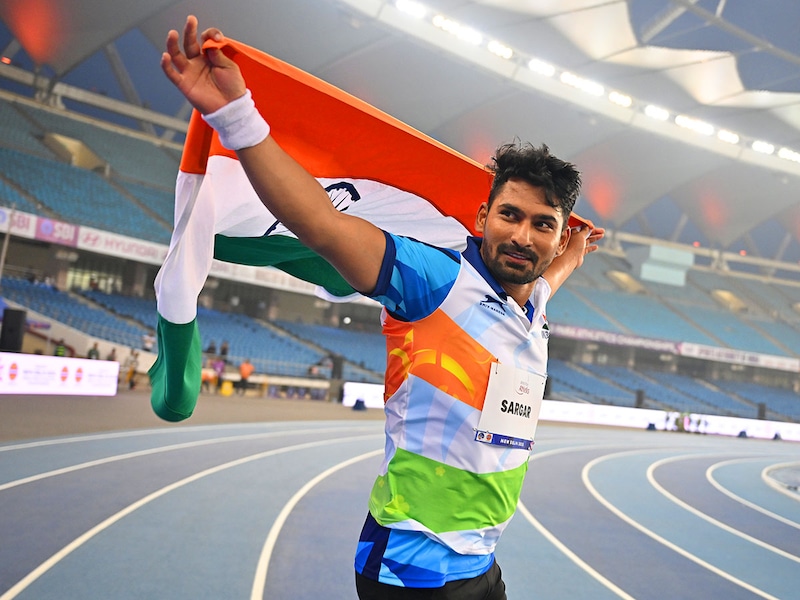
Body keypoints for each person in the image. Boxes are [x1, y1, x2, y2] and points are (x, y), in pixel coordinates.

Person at [162, 16, 604, 599]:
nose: (523, 237)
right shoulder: (434, 280)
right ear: (482, 218)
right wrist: (236, 117)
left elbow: (548, 277)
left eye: (542, 225)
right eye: (510, 216)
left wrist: (574, 252)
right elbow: (321, 224)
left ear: (557, 235)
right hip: (409, 571)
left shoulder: (535, 303)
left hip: (480, 563)